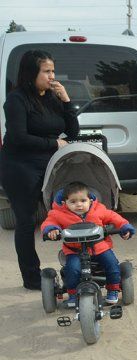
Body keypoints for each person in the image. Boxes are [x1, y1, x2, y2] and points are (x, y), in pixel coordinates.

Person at [1, 50, 78, 290]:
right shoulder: (16, 100)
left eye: (53, 71)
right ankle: (31, 277)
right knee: (26, 221)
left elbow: (73, 133)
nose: (52, 76)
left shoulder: (52, 98)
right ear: (31, 72)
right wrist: (53, 143)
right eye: (46, 71)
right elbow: (18, 137)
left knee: (71, 212)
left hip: (51, 165)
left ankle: (76, 268)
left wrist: (66, 101)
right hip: (20, 166)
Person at [40, 182, 135, 306]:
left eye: (83, 200)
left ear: (90, 200)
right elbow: (49, 222)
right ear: (65, 203)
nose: (79, 204)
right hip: (74, 251)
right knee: (72, 269)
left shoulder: (98, 210)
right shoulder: (58, 214)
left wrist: (124, 226)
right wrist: (51, 230)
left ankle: (113, 289)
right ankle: (73, 294)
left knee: (112, 265)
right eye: (73, 202)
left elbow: (114, 217)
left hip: (99, 248)